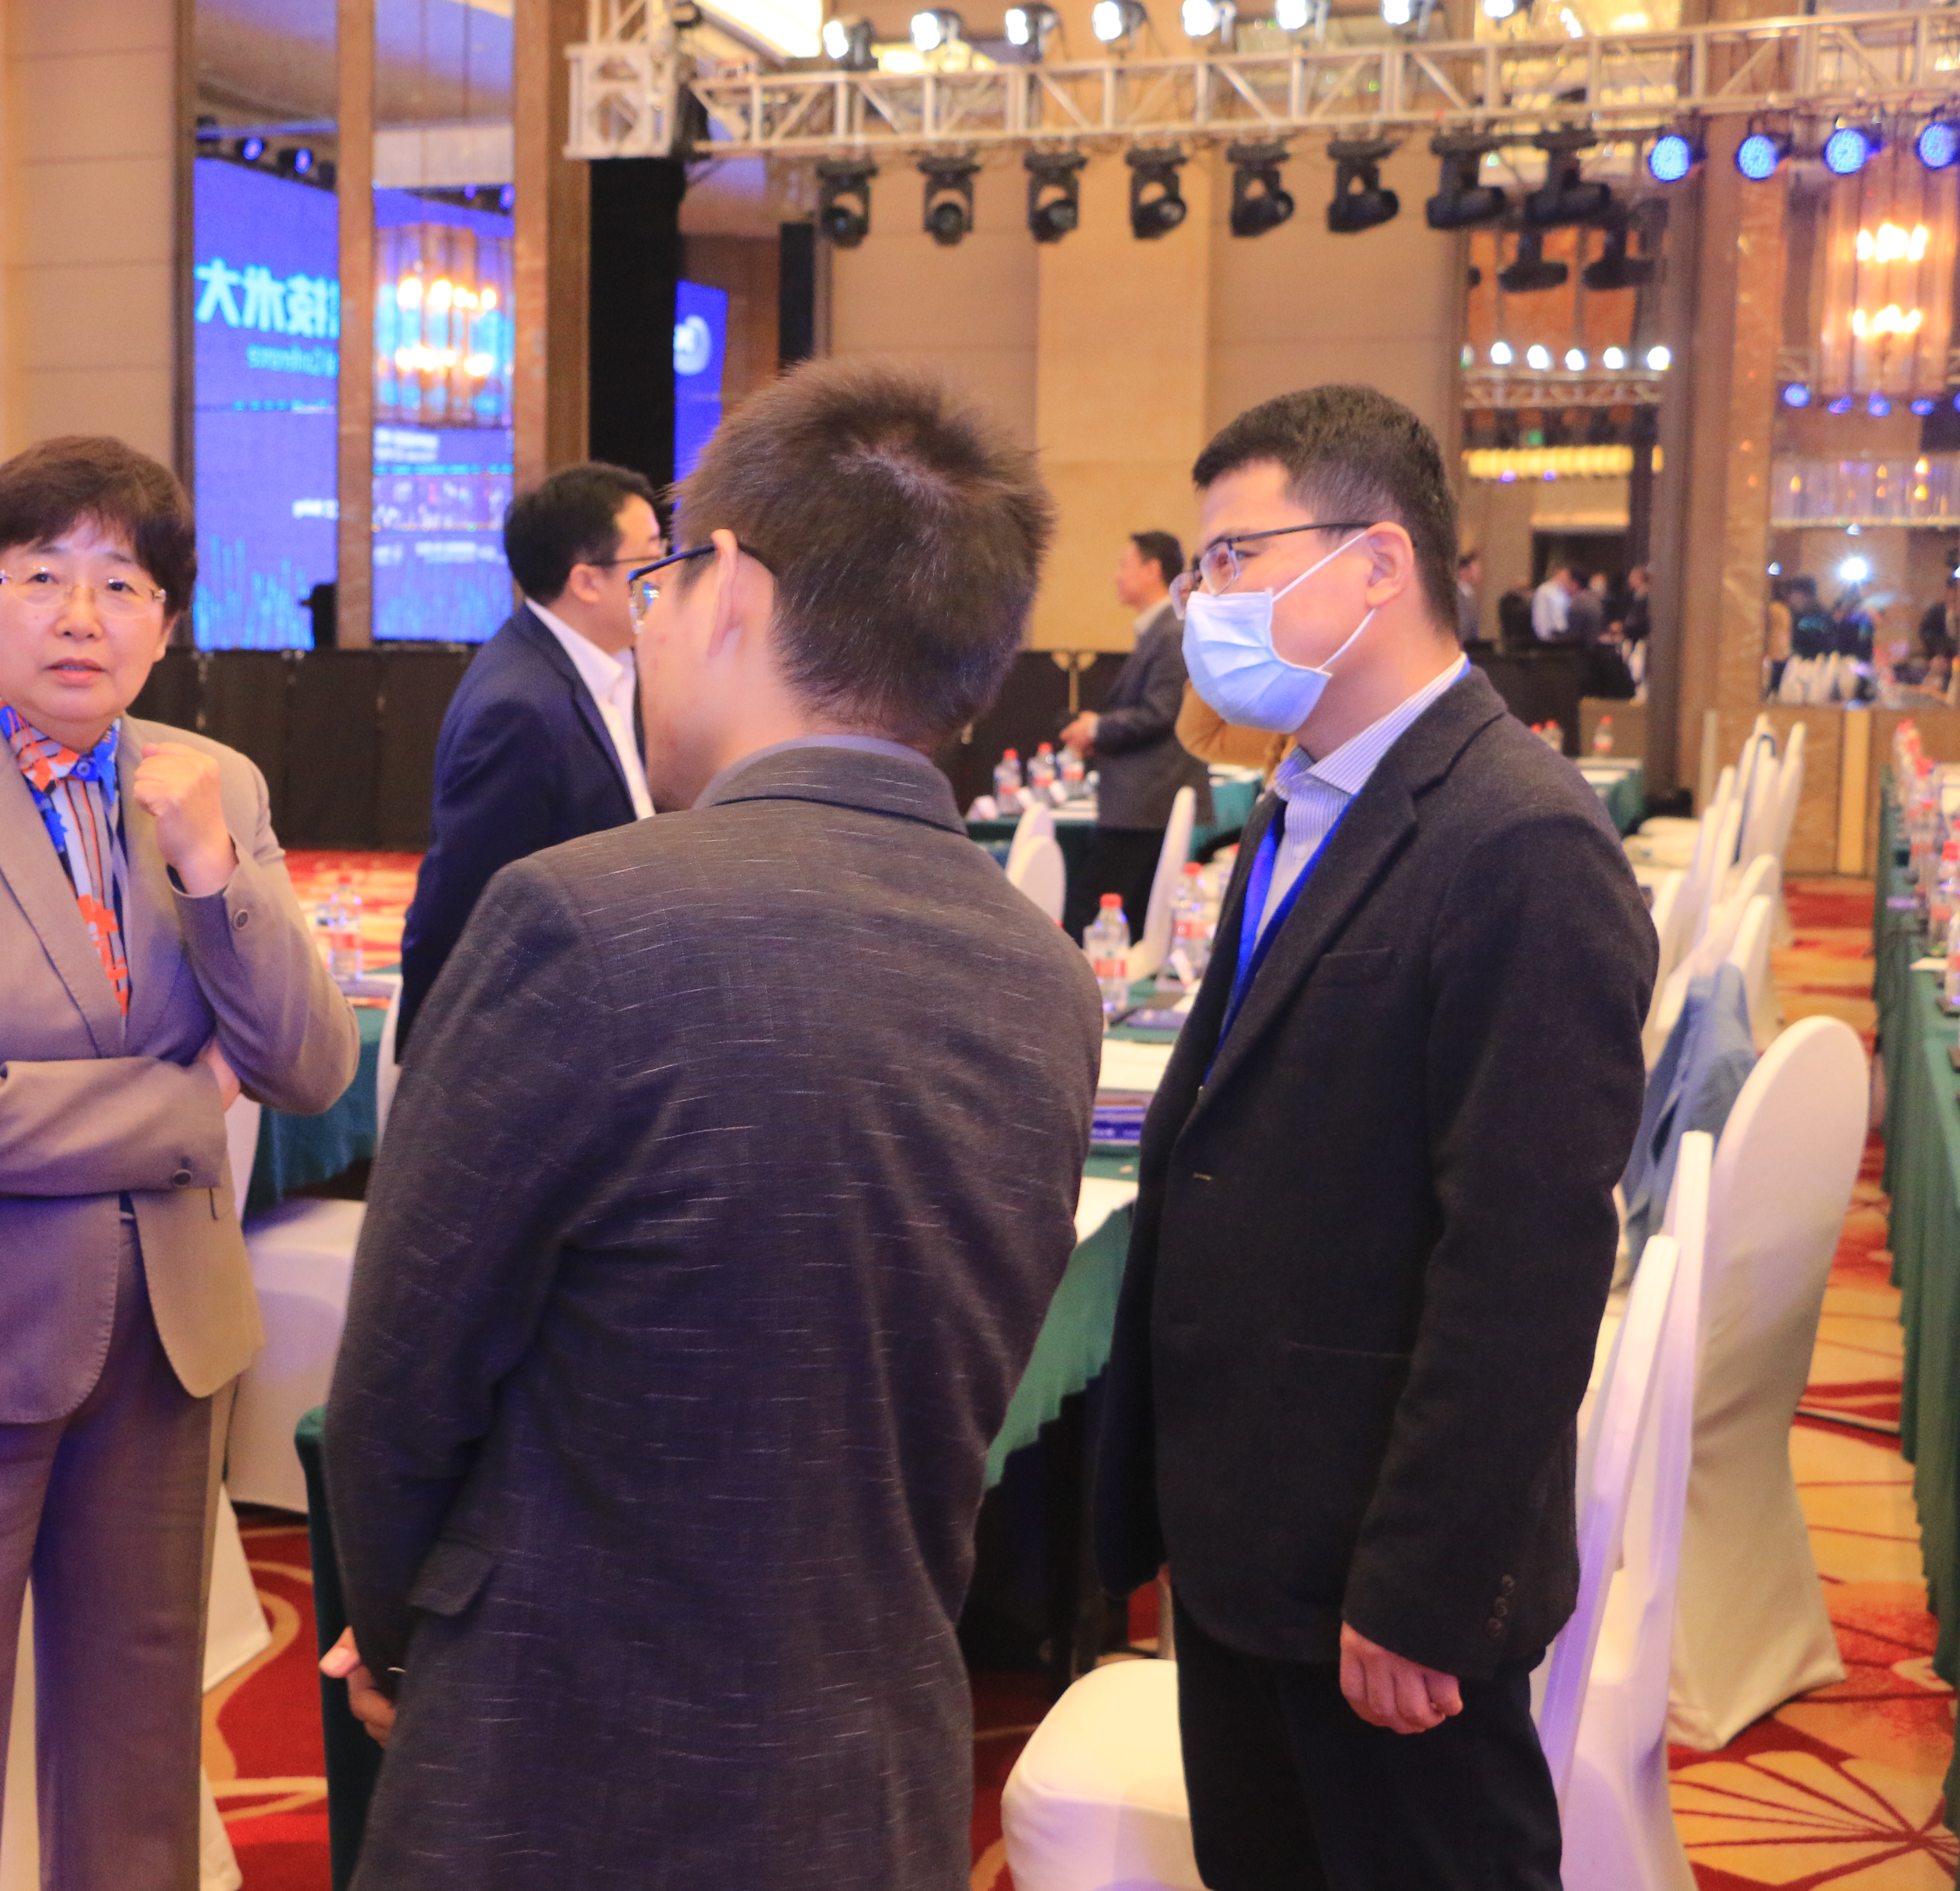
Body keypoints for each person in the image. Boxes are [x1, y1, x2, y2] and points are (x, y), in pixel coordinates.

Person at [320, 358, 1100, 1890]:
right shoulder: (1041, 974)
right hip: (868, 1766)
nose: (650, 623)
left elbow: (402, 1377)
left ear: (731, 584)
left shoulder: (587, 923)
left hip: (560, 1759)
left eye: (664, 579)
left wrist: (404, 1626)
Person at [1094, 384, 1656, 1891]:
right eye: (1203, 566)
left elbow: (1526, 1255)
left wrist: (1424, 1583)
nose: (1208, 600)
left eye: (1236, 559)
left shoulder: (1518, 838)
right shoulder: (1304, 799)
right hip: (1256, 1536)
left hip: (1379, 1574)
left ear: (1377, 566)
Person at [0, 436, 359, 1891]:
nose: (80, 616)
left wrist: (214, 874)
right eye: (42, 578)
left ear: (168, 621)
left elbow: (310, 1068)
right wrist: (187, 1112)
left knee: (139, 1741)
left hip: (170, 1341)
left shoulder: (216, 789)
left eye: (120, 583)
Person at [395, 461, 661, 1055]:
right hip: (536, 1046)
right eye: (649, 558)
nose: (662, 578)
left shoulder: (602, 669)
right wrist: (438, 1066)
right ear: (587, 581)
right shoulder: (520, 707)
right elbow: (462, 909)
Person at [1059, 530, 1209, 935]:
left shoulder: (1173, 630)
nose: (1116, 576)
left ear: (1152, 569)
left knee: (1091, 918)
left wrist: (1099, 727)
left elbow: (1162, 713)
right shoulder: (1159, 628)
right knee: (1130, 920)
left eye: (1125, 565)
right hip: (1142, 801)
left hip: (1146, 803)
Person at [1528, 559, 1580, 645]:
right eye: (1566, 575)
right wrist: (1544, 639)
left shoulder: (1564, 593)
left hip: (1563, 637)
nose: (1568, 579)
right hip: (1550, 638)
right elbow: (1540, 616)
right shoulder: (1545, 591)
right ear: (1559, 573)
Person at [1454, 548, 1485, 647]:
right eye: (1475, 568)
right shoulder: (1456, 596)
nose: (1479, 571)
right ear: (1464, 571)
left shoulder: (1471, 594)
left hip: (1471, 647)